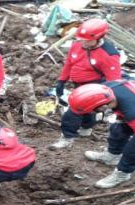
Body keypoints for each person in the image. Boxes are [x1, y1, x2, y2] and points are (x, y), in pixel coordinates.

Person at [67, 74, 135, 189]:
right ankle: (112, 157)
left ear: (105, 104)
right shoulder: (105, 88)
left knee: (134, 147)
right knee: (118, 129)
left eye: (94, 110)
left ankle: (123, 173)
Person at [50, 19, 121, 150]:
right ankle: (86, 128)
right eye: (82, 39)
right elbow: (69, 63)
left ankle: (67, 137)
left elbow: (114, 81)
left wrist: (106, 100)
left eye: (87, 40)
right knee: (87, 110)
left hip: (94, 86)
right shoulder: (77, 45)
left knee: (73, 112)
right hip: (78, 84)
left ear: (100, 37)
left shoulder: (109, 54)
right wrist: (61, 81)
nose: (83, 43)